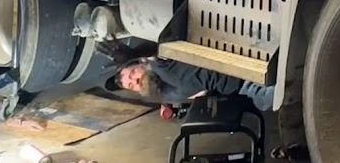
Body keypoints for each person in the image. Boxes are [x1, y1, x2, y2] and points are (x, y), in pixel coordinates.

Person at [107, 58, 274, 110]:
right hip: (245, 83)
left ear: (140, 64)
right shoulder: (164, 91)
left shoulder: (160, 63)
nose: (135, 80)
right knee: (267, 99)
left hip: (241, 66)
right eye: (131, 85)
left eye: (133, 73)